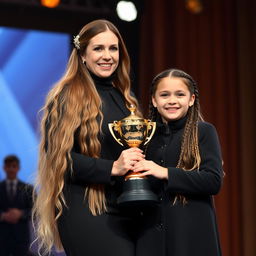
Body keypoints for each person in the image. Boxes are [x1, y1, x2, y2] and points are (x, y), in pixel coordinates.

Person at [33, 19, 144, 256]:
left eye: (113, 48)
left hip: (128, 209)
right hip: (87, 210)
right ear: (82, 54)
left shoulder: (127, 99)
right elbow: (59, 159)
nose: (107, 56)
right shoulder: (67, 95)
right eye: (98, 48)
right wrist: (112, 167)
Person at [132, 69, 223, 256]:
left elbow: (213, 181)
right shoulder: (145, 136)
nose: (172, 100)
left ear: (191, 99)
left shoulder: (204, 131)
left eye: (180, 94)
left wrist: (165, 172)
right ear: (154, 101)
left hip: (192, 234)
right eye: (164, 95)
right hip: (151, 234)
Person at [0, 155, 34, 256]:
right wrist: (3, 216)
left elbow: (37, 211)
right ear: (4, 168)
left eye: (13, 166)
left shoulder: (28, 188)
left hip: (22, 239)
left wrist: (21, 214)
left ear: (18, 168)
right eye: (8, 166)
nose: (11, 169)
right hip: (2, 239)